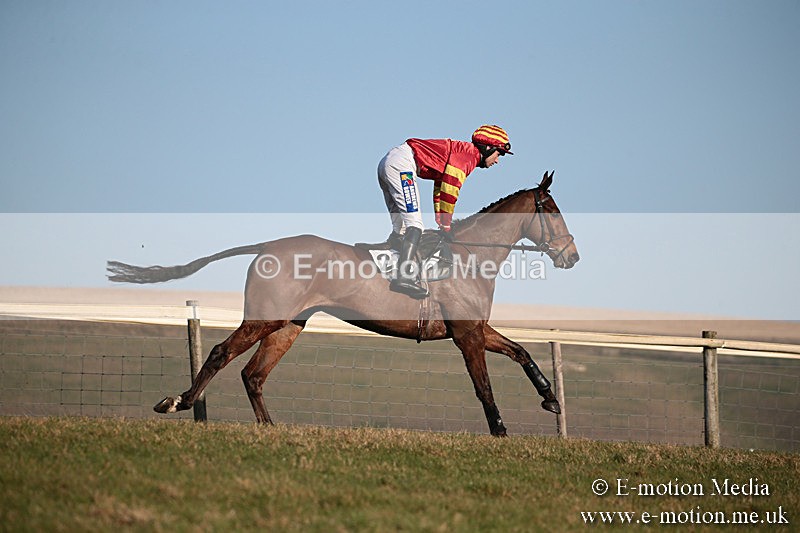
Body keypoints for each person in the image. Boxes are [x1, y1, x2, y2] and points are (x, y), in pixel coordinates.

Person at [363, 125, 513, 299]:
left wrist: (440, 221)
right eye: (499, 154)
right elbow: (450, 191)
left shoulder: (462, 152)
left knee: (402, 228)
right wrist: (447, 225)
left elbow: (439, 188)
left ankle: (389, 247)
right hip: (402, 165)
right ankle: (404, 276)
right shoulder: (467, 157)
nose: (497, 160)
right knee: (416, 226)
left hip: (389, 162)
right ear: (488, 148)